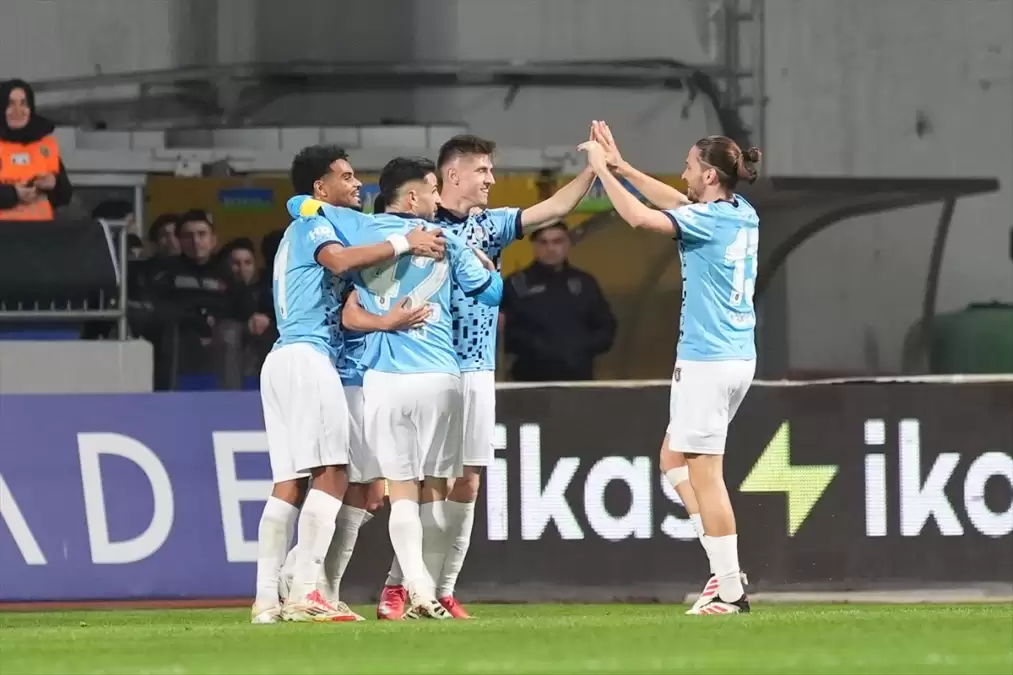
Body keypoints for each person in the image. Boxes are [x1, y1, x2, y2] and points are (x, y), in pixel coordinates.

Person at [376, 132, 596, 620]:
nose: (491, 179)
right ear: (452, 174)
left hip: (476, 368)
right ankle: (400, 586)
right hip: (423, 365)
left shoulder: (489, 225)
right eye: (483, 170)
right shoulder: (417, 224)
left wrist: (594, 170)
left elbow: (555, 207)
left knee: (467, 483)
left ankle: (442, 589)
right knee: (421, 482)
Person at [301, 155, 502, 620]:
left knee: (402, 489)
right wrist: (484, 264)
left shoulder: (360, 230)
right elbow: (490, 293)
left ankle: (418, 589)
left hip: (385, 379)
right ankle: (424, 590)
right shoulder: (446, 239)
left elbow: (302, 209)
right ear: (412, 197)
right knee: (436, 488)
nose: (438, 199)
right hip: (441, 376)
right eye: (432, 190)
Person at [252, 146, 445, 624]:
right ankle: (305, 591)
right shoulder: (312, 224)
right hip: (308, 355)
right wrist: (406, 243)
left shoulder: (311, 219)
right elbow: (338, 261)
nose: (358, 184)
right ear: (320, 187)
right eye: (347, 176)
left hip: (285, 358)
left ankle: (266, 599)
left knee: (291, 482)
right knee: (334, 473)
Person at [579, 121, 760, 615]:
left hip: (708, 361)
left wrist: (601, 173)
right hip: (737, 356)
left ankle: (730, 590)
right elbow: (677, 202)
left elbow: (640, 218)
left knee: (706, 475)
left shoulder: (708, 219)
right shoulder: (741, 212)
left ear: (708, 176)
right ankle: (722, 570)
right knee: (672, 458)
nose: (683, 174)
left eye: (688, 166)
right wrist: (623, 166)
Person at [500, 222, 616, 381]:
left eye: (557, 241)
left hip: (578, 378)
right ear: (534, 245)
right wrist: (536, 349)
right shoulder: (515, 284)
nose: (551, 248)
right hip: (529, 380)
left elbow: (606, 325)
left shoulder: (584, 283)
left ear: (568, 244)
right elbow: (502, 332)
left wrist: (582, 349)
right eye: (543, 242)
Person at [0, 79, 72, 220]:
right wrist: (13, 194)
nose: (18, 110)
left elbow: (65, 196)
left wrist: (54, 183)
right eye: (11, 104)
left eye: (23, 103)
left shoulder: (45, 145)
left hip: (40, 230)